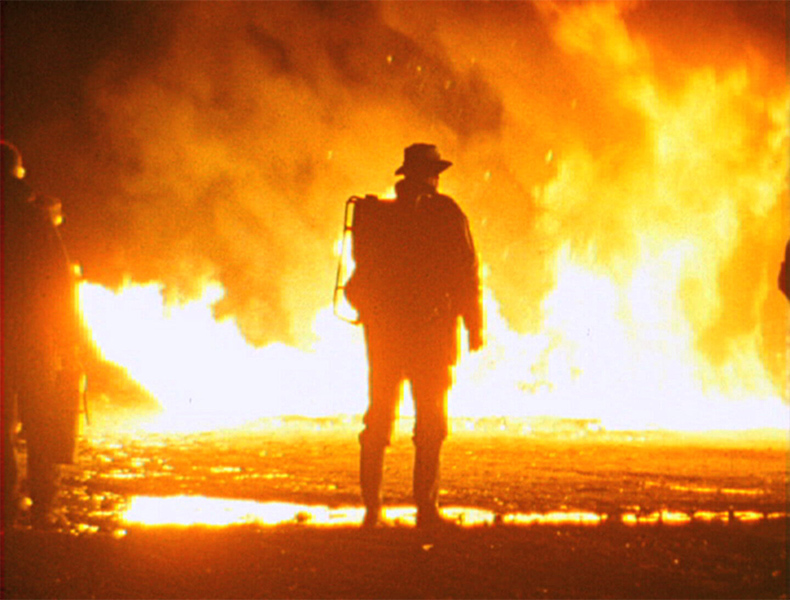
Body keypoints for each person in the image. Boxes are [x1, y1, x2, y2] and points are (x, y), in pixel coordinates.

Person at [345, 143, 484, 529]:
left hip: (386, 334)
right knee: (431, 424)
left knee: (379, 420)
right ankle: (426, 510)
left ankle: (373, 511)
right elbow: (466, 271)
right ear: (429, 175)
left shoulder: (377, 216)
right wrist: (474, 323)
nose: (437, 179)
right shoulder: (446, 213)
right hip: (431, 334)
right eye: (435, 172)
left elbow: (360, 275)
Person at [1, 141, 83, 530]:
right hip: (34, 339)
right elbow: (59, 283)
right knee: (41, 424)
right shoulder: (36, 222)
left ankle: (3, 509)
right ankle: (43, 508)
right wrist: (70, 339)